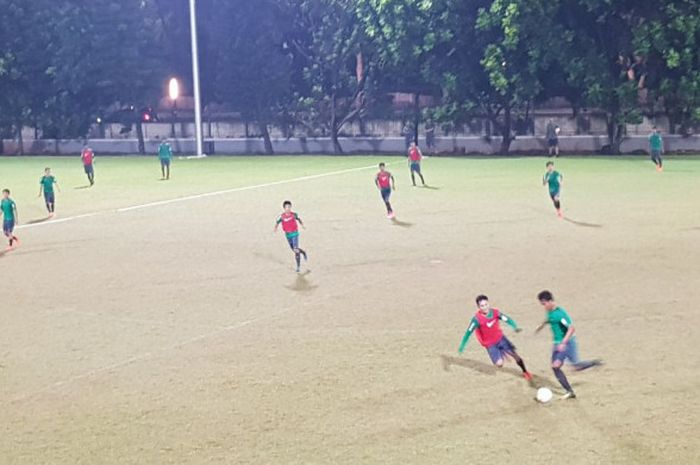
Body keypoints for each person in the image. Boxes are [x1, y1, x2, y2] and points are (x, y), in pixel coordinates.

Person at [535, 290, 602, 400]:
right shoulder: (550, 312)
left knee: (566, 366)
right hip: (557, 344)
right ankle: (570, 392)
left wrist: (563, 343)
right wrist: (541, 325)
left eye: (544, 303)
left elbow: (571, 329)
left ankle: (593, 363)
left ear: (550, 301)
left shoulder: (560, 314)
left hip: (567, 343)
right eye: (542, 304)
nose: (544, 306)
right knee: (561, 367)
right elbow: (549, 318)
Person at [458, 295, 532, 381]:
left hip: (501, 339)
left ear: (488, 303)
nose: (485, 307)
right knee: (499, 364)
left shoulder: (495, 313)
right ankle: (500, 352)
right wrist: (462, 345)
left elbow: (507, 319)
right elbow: (468, 332)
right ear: (478, 307)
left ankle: (525, 371)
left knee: (516, 356)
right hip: (490, 344)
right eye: (482, 306)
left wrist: (514, 326)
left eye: (486, 304)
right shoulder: (476, 319)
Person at [274, 200, 308, 273]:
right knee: (294, 249)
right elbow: (277, 222)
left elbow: (299, 219)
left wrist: (302, 225)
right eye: (286, 207)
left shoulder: (294, 214)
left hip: (295, 233)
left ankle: (298, 266)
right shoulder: (281, 216)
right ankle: (303, 252)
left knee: (295, 249)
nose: (288, 209)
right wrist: (275, 228)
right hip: (288, 235)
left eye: (289, 207)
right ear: (284, 208)